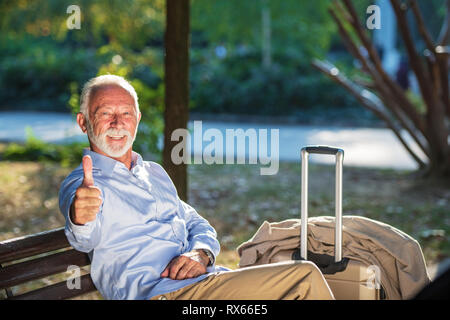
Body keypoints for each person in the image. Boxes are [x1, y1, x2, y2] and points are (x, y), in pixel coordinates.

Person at [59, 74, 334, 300]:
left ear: (138, 120)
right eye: (106, 113)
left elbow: (196, 222)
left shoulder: (153, 172)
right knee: (304, 278)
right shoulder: (83, 184)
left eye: (126, 114)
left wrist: (200, 253)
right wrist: (80, 216)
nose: (118, 123)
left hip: (204, 285)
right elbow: (83, 237)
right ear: (84, 122)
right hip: (163, 295)